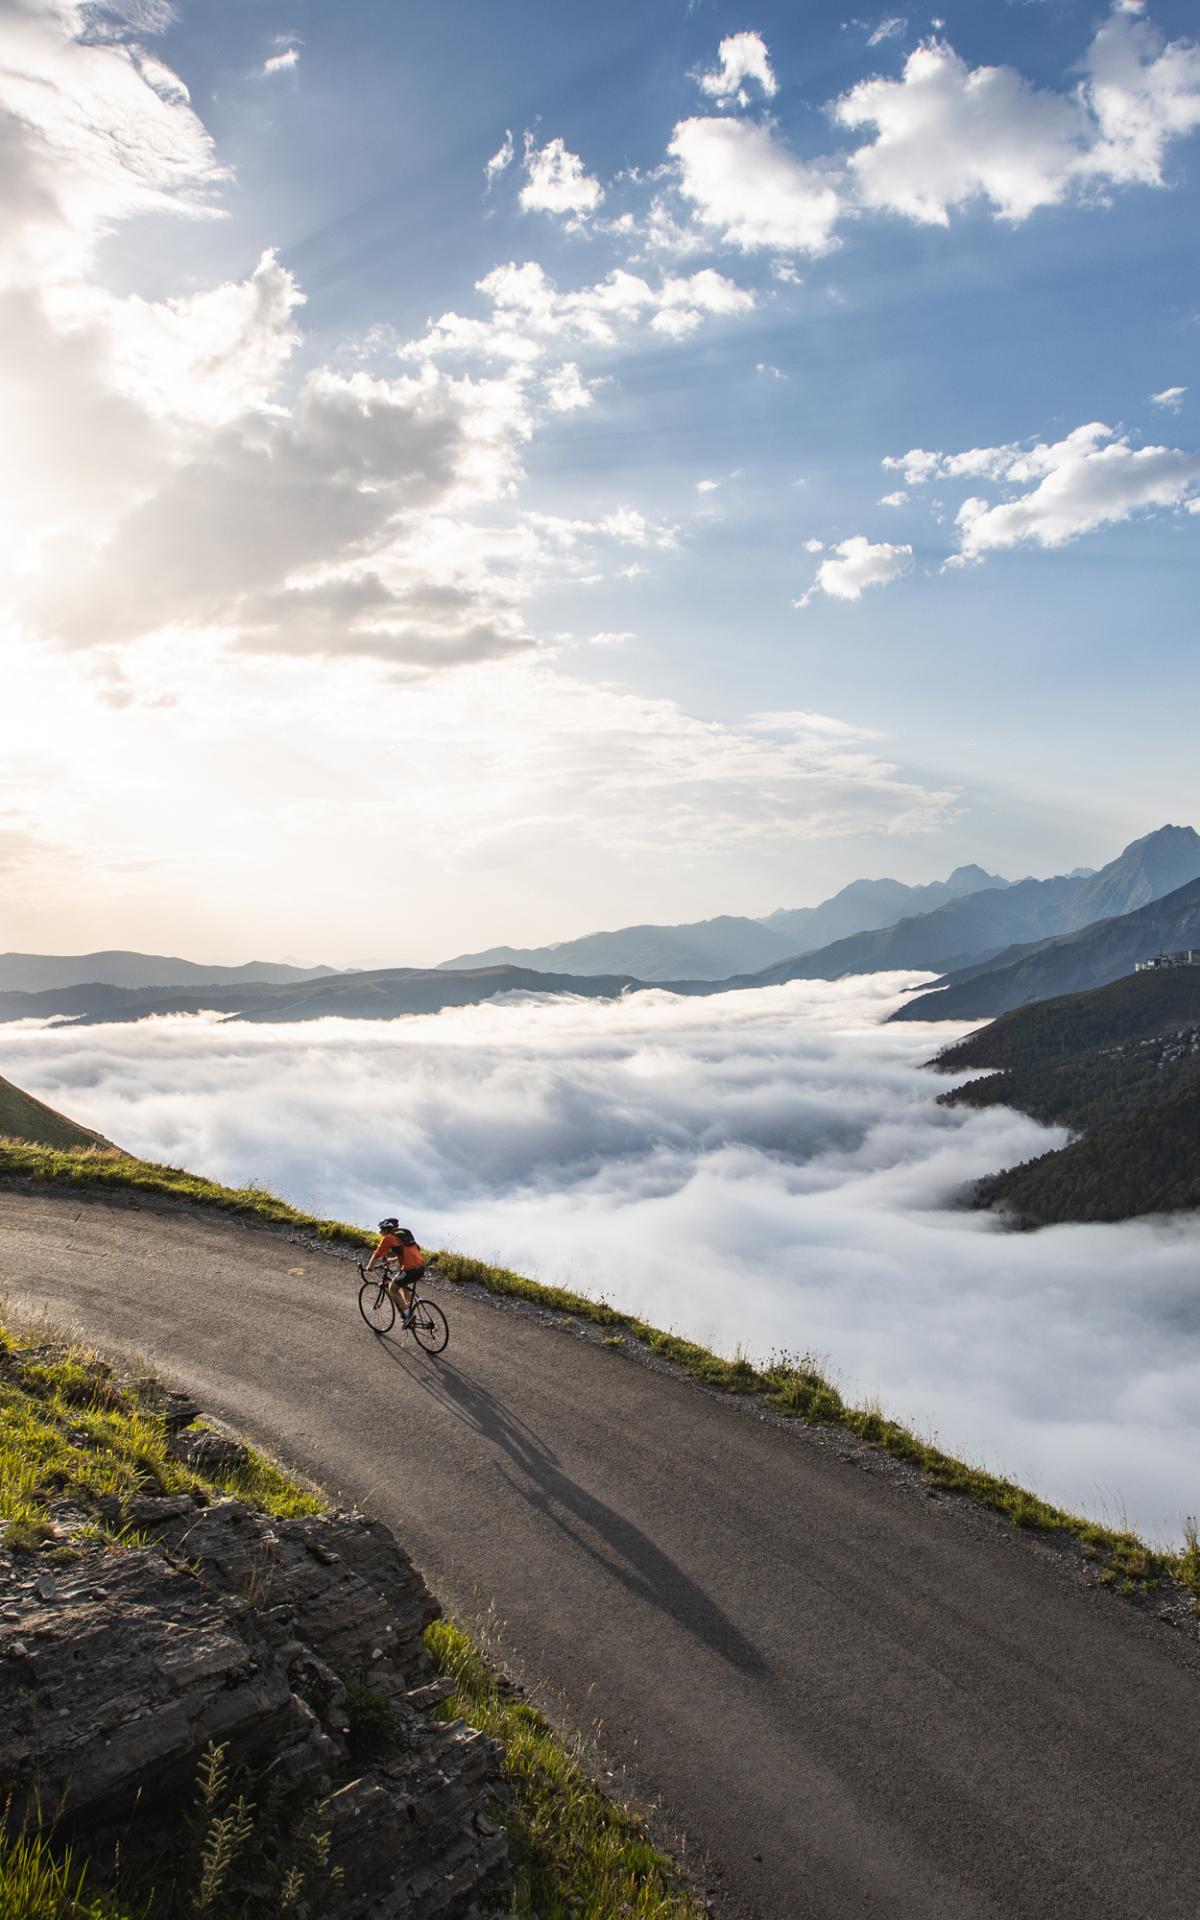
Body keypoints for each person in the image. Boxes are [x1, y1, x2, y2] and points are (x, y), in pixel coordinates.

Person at [364, 1218, 428, 1325]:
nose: (381, 1233)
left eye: (382, 1230)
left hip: (409, 1269)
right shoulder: (405, 1233)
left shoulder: (388, 1238)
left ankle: (408, 1314)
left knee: (392, 1288)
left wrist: (369, 1267)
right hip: (421, 1267)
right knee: (403, 1284)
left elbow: (377, 1254)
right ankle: (408, 1308)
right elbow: (412, 1249)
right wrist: (395, 1259)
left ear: (386, 1229)